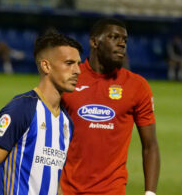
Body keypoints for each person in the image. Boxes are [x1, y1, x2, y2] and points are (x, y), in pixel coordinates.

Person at [60, 18, 160, 195]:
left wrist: (150, 193)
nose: (122, 44)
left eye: (125, 40)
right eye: (114, 37)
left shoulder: (137, 86)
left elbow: (150, 145)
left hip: (112, 190)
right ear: (94, 42)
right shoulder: (67, 80)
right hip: (66, 189)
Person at [0, 32, 83, 195]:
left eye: (78, 64)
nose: (77, 71)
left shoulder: (67, 122)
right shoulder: (22, 109)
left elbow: (55, 181)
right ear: (46, 66)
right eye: (69, 63)